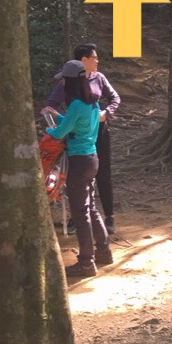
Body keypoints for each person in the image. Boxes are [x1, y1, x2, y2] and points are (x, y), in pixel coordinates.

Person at [42, 44, 121, 234]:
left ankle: (109, 216)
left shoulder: (99, 78)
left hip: (99, 131)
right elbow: (52, 104)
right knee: (74, 176)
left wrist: (106, 113)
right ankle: (76, 217)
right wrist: (68, 121)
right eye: (94, 57)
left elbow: (115, 98)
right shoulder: (68, 80)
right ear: (84, 60)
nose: (97, 61)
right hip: (76, 136)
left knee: (103, 172)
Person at [46, 61, 112, 280]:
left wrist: (49, 128)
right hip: (92, 159)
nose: (62, 83)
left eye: (64, 79)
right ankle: (104, 251)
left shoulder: (76, 105)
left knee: (80, 213)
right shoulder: (92, 103)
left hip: (78, 162)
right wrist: (56, 115)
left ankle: (86, 262)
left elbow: (60, 133)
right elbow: (74, 123)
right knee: (90, 208)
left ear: (71, 81)